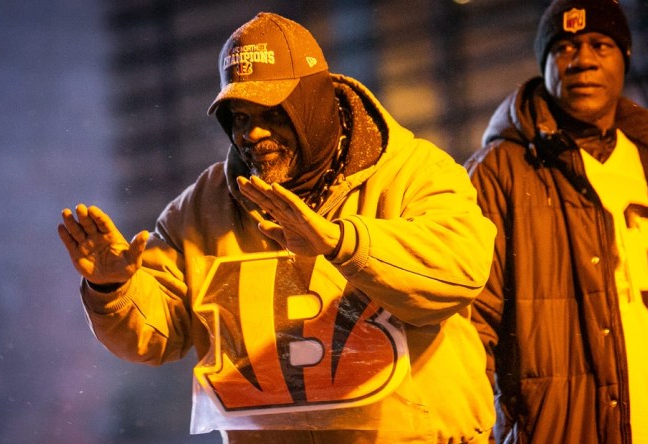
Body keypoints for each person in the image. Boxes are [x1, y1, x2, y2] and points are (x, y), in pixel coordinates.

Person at [57, 11, 497, 444]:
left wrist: (343, 244)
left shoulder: (413, 173)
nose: (253, 134)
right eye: (241, 118)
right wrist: (113, 289)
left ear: (312, 103)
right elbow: (159, 334)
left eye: (271, 112)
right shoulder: (203, 207)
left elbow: (458, 274)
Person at [465, 0, 648, 443]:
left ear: (625, 58)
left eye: (600, 44)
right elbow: (470, 326)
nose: (582, 61)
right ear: (544, 65)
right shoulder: (500, 172)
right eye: (565, 47)